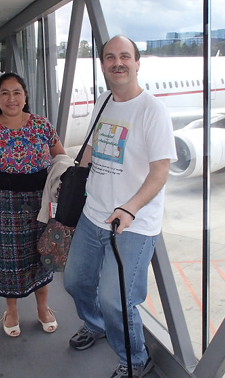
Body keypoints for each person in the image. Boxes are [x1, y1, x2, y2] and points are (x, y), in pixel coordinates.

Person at [63, 35, 177, 378]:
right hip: (92, 214)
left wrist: (129, 208)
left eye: (125, 56)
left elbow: (160, 172)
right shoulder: (104, 101)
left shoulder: (152, 111)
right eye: (110, 57)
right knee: (75, 282)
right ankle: (96, 325)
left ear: (137, 62)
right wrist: (73, 172)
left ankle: (136, 360)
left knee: (117, 299)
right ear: (103, 65)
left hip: (132, 225)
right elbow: (96, 147)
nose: (118, 63)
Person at [0, 72, 66, 337]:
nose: (11, 98)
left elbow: (62, 159)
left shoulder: (42, 125)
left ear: (25, 97)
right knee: (7, 258)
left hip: (40, 199)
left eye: (17, 92)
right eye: (5, 93)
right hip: (4, 203)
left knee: (41, 254)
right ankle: (11, 311)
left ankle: (43, 307)